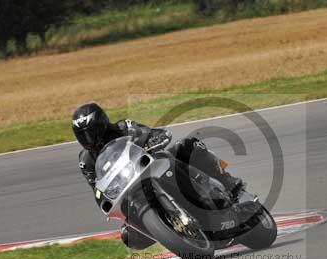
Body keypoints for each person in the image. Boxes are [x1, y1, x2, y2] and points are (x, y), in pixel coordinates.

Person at [72, 102, 244, 249]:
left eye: (92, 131)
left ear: (102, 123)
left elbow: (148, 133)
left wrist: (155, 139)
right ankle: (173, 232)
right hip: (128, 189)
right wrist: (103, 200)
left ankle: (226, 181)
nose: (89, 138)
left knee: (189, 146)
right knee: (129, 237)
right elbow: (96, 187)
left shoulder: (123, 127)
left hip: (150, 168)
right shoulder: (86, 160)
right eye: (83, 135)